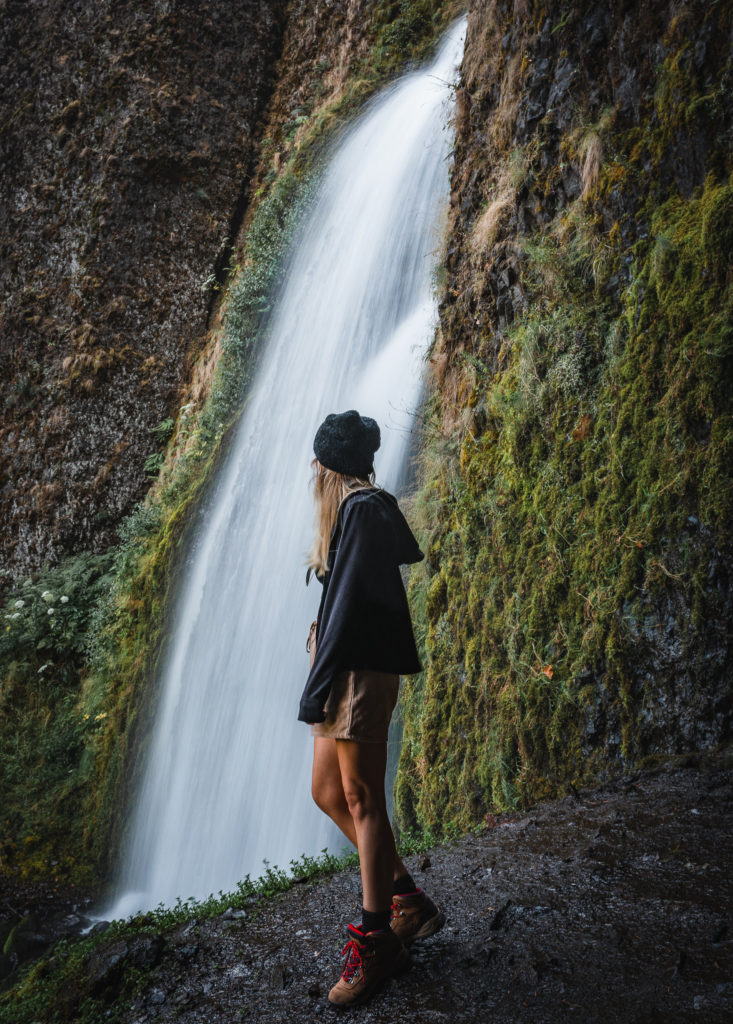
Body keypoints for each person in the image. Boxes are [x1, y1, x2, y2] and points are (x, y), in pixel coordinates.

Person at [298, 409, 445, 1008]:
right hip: (345, 668)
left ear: (331, 467)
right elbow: (347, 598)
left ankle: (377, 938)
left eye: (318, 462)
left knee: (361, 799)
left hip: (355, 673)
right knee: (328, 793)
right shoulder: (354, 516)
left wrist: (317, 683)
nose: (313, 471)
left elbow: (355, 609)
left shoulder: (361, 510)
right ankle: (406, 899)